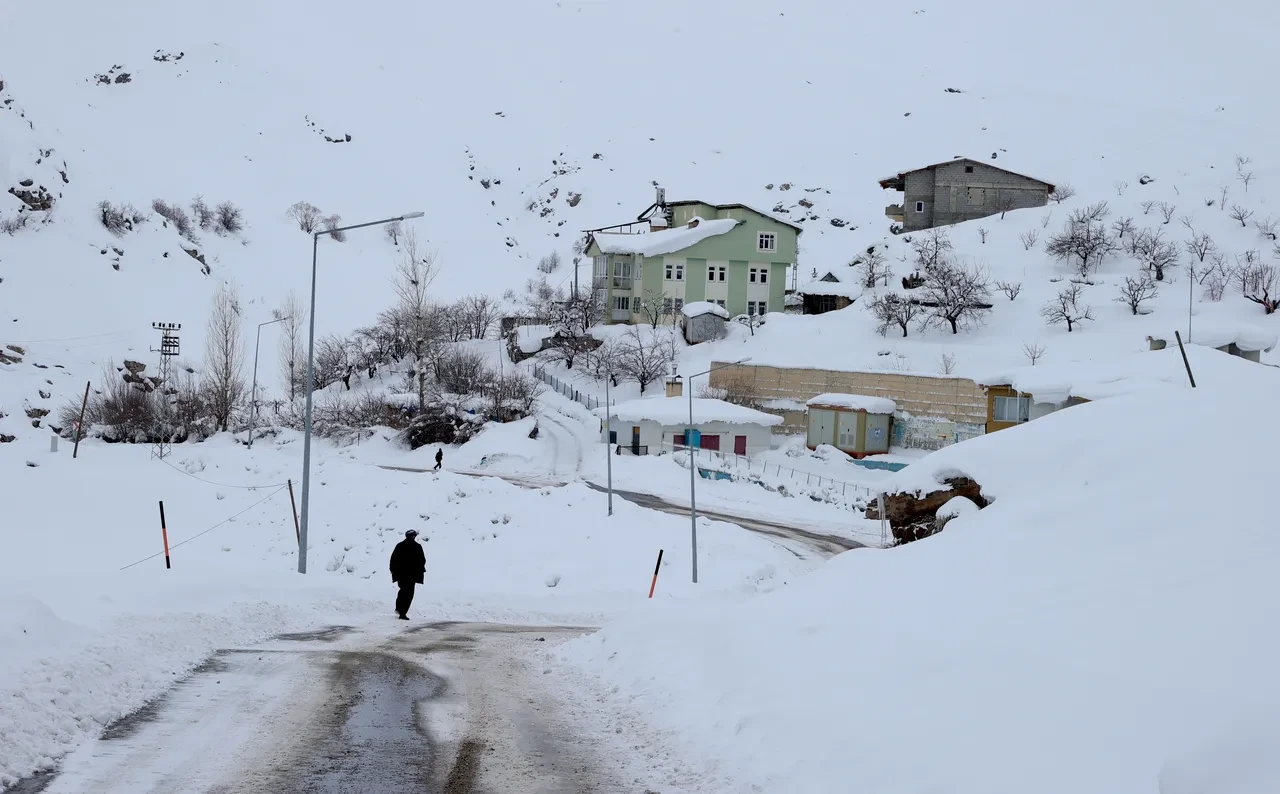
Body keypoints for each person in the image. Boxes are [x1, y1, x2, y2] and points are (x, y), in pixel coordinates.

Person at [389, 529, 426, 620]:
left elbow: (393, 560)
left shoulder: (400, 546)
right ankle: (402, 612)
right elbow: (422, 560)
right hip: (412, 575)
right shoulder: (417, 547)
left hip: (401, 575)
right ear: (413, 536)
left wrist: (394, 571)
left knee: (402, 591)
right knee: (408, 594)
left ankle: (399, 609)